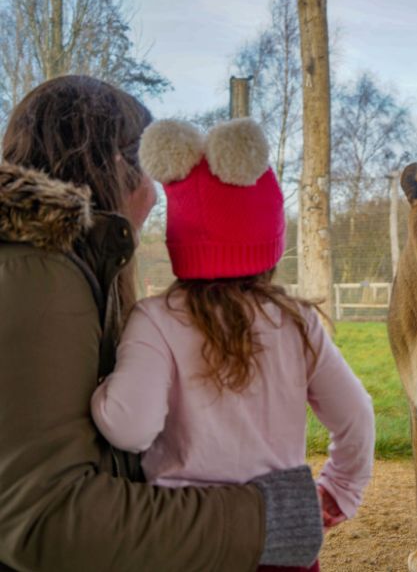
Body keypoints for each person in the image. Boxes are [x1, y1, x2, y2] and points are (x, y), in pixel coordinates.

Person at [0, 76, 324, 571]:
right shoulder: (39, 276)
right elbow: (46, 518)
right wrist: (267, 518)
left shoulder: (48, 266)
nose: (155, 196)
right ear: (115, 167)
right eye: (150, 169)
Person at [89, 117, 376, 572]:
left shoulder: (156, 318)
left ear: (180, 237)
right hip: (278, 536)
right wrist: (339, 491)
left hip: (183, 538)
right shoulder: (295, 321)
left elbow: (131, 428)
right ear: (270, 239)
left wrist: (101, 387)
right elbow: (357, 415)